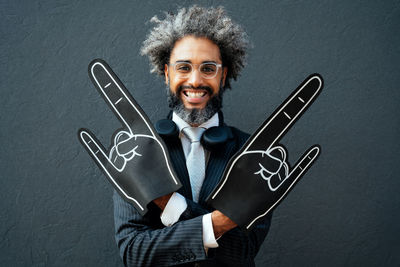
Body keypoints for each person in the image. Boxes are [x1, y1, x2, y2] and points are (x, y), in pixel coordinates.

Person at [113, 6, 272, 266]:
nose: (195, 80)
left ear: (224, 75)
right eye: (183, 67)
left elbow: (242, 252)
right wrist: (216, 223)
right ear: (167, 73)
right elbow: (134, 253)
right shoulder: (134, 151)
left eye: (208, 68)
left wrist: (172, 206)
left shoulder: (256, 154)